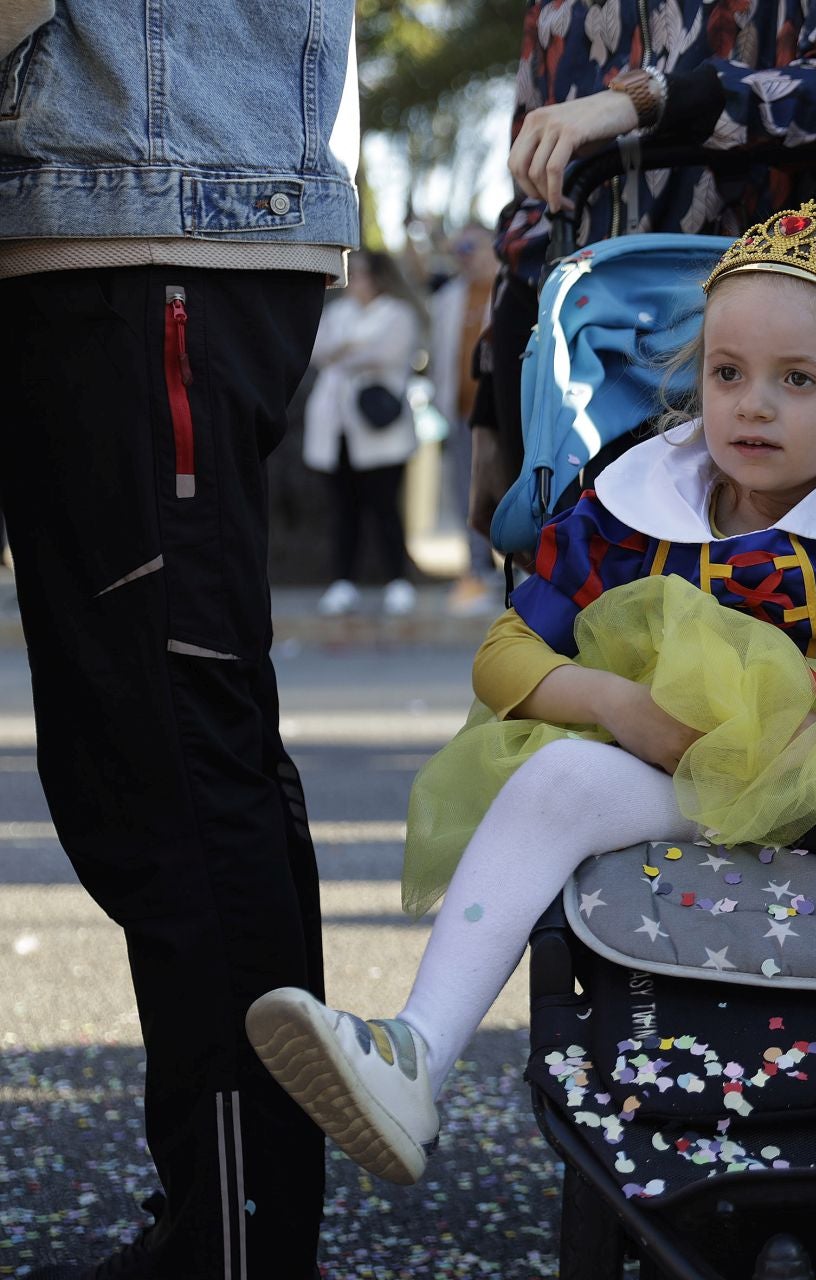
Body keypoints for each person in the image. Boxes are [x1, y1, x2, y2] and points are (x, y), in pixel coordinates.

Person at [246, 203, 816, 1178]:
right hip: (680, 760)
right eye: (727, 374)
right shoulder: (639, 507)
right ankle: (417, 1053)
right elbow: (506, 654)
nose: (751, 405)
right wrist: (614, 706)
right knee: (554, 779)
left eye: (796, 380)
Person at [0, 1, 357, 1275]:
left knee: (180, 762)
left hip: (148, 211)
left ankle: (241, 1235)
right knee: (141, 763)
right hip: (142, 202)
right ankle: (222, 1215)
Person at [465, 0, 816, 568]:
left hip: (764, 315)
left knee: (772, 597)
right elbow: (530, 195)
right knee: (573, 596)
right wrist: (490, 404)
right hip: (567, 337)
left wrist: (644, 99)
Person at [304, 249, 425, 617]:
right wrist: (355, 350)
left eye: (361, 275)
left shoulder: (398, 313)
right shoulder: (337, 313)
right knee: (343, 509)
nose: (355, 282)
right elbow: (316, 350)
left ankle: (397, 581)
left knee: (385, 506)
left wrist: (345, 352)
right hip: (336, 426)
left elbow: (387, 354)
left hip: (379, 429)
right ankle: (342, 582)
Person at [429, 225, 502, 616]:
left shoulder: (511, 291)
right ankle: (477, 570)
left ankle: (516, 571)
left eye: (471, 246)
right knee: (465, 495)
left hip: (502, 416)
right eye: (458, 249)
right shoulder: (448, 298)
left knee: (503, 488)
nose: (464, 255)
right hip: (459, 413)